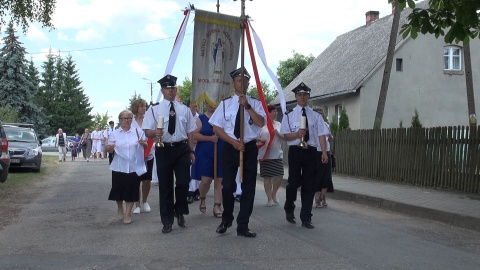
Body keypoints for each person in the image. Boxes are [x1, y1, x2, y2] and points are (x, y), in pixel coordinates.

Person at [209, 67, 266, 237]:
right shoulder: (225, 104)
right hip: (230, 147)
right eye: (240, 80)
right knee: (227, 186)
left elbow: (261, 122)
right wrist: (233, 142)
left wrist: (247, 106)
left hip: (248, 147)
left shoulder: (255, 103)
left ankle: (243, 225)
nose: (243, 83)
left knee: (249, 187)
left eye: (246, 80)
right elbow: (217, 127)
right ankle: (226, 219)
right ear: (234, 83)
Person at [142, 74, 196, 234]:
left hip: (181, 148)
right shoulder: (154, 109)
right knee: (165, 186)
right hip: (163, 148)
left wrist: (191, 150)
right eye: (167, 88)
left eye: (173, 88)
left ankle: (180, 210)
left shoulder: (184, 109)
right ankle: (167, 220)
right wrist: (154, 132)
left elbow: (190, 132)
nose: (171, 91)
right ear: (162, 90)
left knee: (183, 182)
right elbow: (146, 131)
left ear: (176, 89)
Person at [280, 82, 329, 229]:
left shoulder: (315, 115)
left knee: (309, 184)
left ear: (308, 96)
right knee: (293, 183)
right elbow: (285, 136)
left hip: (311, 151)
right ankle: (289, 207)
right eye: (300, 95)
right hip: (295, 150)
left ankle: (306, 217)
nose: (302, 97)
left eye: (305, 95)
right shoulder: (289, 115)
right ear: (295, 97)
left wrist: (324, 152)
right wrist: (296, 134)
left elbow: (321, 135)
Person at [107, 110, 148, 224]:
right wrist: (110, 148)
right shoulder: (114, 133)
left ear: (132, 119)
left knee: (132, 190)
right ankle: (120, 207)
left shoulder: (138, 131)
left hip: (133, 167)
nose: (127, 120)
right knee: (118, 190)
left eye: (129, 118)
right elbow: (109, 149)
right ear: (120, 120)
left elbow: (146, 145)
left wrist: (144, 144)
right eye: (124, 118)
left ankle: (128, 213)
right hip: (119, 167)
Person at [193, 102, 224, 218]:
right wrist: (210, 138)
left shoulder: (222, 118)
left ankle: (217, 206)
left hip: (220, 151)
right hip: (205, 152)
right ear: (206, 103)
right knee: (206, 180)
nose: (212, 105)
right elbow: (194, 135)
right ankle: (202, 197)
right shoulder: (200, 118)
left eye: (214, 103)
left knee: (219, 180)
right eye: (210, 103)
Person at [256, 105, 285, 207]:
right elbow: (255, 138)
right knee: (267, 177)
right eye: (273, 111)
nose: (276, 113)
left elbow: (283, 137)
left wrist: (277, 133)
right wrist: (260, 140)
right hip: (265, 154)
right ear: (267, 113)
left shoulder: (279, 124)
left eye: (276, 111)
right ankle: (269, 198)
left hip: (277, 153)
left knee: (280, 175)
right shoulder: (261, 126)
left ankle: (274, 194)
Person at [130, 98, 154, 215]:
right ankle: (137, 204)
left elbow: (153, 135)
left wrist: (147, 145)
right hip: (135, 154)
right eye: (141, 106)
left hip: (148, 153)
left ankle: (145, 201)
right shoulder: (131, 122)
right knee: (135, 180)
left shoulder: (149, 120)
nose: (143, 108)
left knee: (147, 180)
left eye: (144, 106)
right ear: (136, 108)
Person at [313, 107, 334, 208]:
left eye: (322, 114)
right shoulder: (312, 125)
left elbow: (331, 139)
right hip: (316, 152)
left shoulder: (326, 125)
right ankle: (317, 198)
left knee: (327, 177)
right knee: (317, 177)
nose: (321, 115)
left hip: (326, 152)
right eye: (319, 113)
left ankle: (323, 196)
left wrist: (329, 135)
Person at [187, 103, 201, 204]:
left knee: (197, 168)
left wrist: (197, 138)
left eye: (195, 106)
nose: (193, 108)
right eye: (191, 106)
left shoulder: (199, 118)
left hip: (198, 146)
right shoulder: (185, 117)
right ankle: (190, 191)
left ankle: (197, 190)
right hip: (188, 147)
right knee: (190, 169)